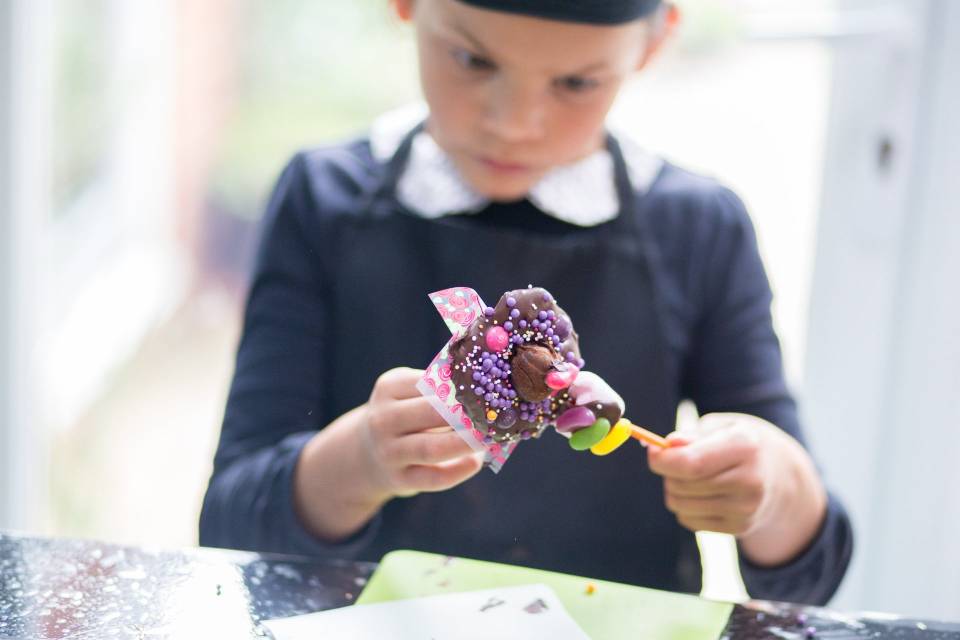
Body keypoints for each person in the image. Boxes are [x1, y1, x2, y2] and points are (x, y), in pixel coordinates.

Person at [199, 0, 853, 605]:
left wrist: (774, 492)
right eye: (472, 59)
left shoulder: (699, 230)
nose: (514, 122)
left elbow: (811, 576)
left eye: (575, 83)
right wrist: (360, 462)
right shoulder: (323, 200)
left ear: (652, 45)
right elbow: (228, 528)